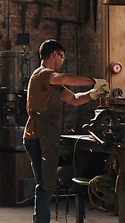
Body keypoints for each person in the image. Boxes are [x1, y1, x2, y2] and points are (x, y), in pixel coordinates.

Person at [23, 39, 109, 223]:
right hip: (37, 137)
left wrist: (93, 94)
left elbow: (75, 99)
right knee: (45, 186)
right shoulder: (43, 74)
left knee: (46, 184)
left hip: (45, 138)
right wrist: (93, 82)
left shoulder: (52, 82)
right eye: (62, 57)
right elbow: (67, 78)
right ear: (55, 54)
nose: (62, 62)